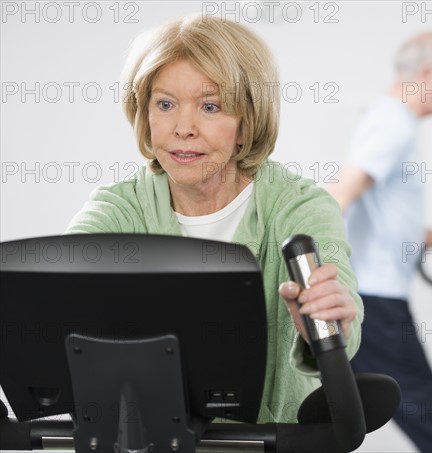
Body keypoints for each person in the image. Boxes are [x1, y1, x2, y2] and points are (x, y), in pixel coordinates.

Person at [65, 13, 363, 425]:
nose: (183, 128)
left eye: (210, 106)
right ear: (145, 115)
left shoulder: (299, 207)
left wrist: (331, 320)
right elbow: (60, 278)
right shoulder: (121, 206)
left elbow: (341, 304)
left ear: (246, 123)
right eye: (165, 104)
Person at [326, 32, 432, 452]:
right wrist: (321, 275)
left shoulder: (392, 121)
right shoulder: (393, 121)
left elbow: (389, 214)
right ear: (428, 72)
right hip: (375, 304)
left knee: (343, 417)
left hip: (370, 299)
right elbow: (340, 193)